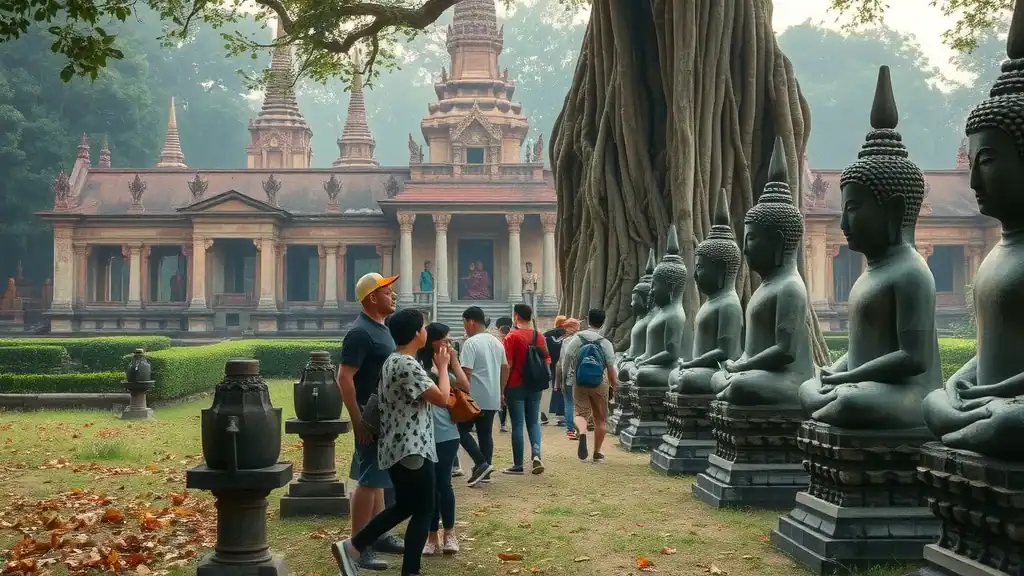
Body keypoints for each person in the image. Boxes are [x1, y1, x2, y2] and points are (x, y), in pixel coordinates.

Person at [333, 308, 449, 576]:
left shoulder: (393, 361)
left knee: (407, 506)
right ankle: (408, 570)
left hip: (399, 446)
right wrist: (443, 367)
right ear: (415, 333)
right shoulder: (405, 364)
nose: (426, 330)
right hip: (411, 447)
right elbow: (442, 399)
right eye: (423, 327)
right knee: (423, 509)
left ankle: (354, 546)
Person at [335, 273, 403, 571]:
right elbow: (344, 378)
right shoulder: (360, 333)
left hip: (383, 414)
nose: (394, 295)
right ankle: (357, 546)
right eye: (388, 292)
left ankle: (378, 534)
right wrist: (358, 420)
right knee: (368, 480)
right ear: (372, 297)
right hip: (370, 414)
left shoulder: (382, 329)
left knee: (378, 478)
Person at [416, 323, 468, 555]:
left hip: (446, 432)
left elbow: (466, 387)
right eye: (443, 339)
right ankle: (431, 536)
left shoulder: (444, 365)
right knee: (428, 486)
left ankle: (449, 533)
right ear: (432, 341)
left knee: (444, 484)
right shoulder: (418, 365)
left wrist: (452, 364)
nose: (447, 343)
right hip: (422, 433)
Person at [559, 308, 618, 463]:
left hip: (580, 382)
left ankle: (582, 434)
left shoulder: (576, 339)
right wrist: (614, 386)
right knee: (601, 419)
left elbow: (566, 361)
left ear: (588, 321)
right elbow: (611, 368)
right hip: (599, 383)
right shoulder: (605, 343)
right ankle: (597, 453)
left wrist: (565, 380)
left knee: (581, 413)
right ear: (603, 322)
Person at [502, 303, 550, 475]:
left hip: (516, 384)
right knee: (534, 422)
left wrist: (502, 389)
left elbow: (508, 365)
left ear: (516, 316)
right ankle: (536, 455)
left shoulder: (511, 337)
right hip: (535, 384)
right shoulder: (539, 336)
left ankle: (518, 464)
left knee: (517, 424)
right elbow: (547, 359)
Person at [460, 306, 507, 479]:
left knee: (459, 430)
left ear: (471, 321)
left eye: (464, 323)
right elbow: (505, 367)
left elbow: (466, 372)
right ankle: (484, 470)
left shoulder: (471, 343)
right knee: (485, 433)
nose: (465, 327)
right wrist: (501, 392)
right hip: (492, 396)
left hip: (474, 397)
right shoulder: (496, 342)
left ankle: (481, 462)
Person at [549, 316, 581, 439]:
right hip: (583, 377)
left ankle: (571, 431)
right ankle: (581, 430)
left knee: (568, 403)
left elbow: (560, 364)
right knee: (581, 405)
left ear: (570, 328)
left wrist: (557, 382)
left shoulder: (567, 341)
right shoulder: (585, 340)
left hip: (568, 377)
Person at [494, 316, 513, 433]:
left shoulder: (498, 342)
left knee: (502, 398)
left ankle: (503, 423)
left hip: (500, 374)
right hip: (514, 375)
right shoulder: (514, 338)